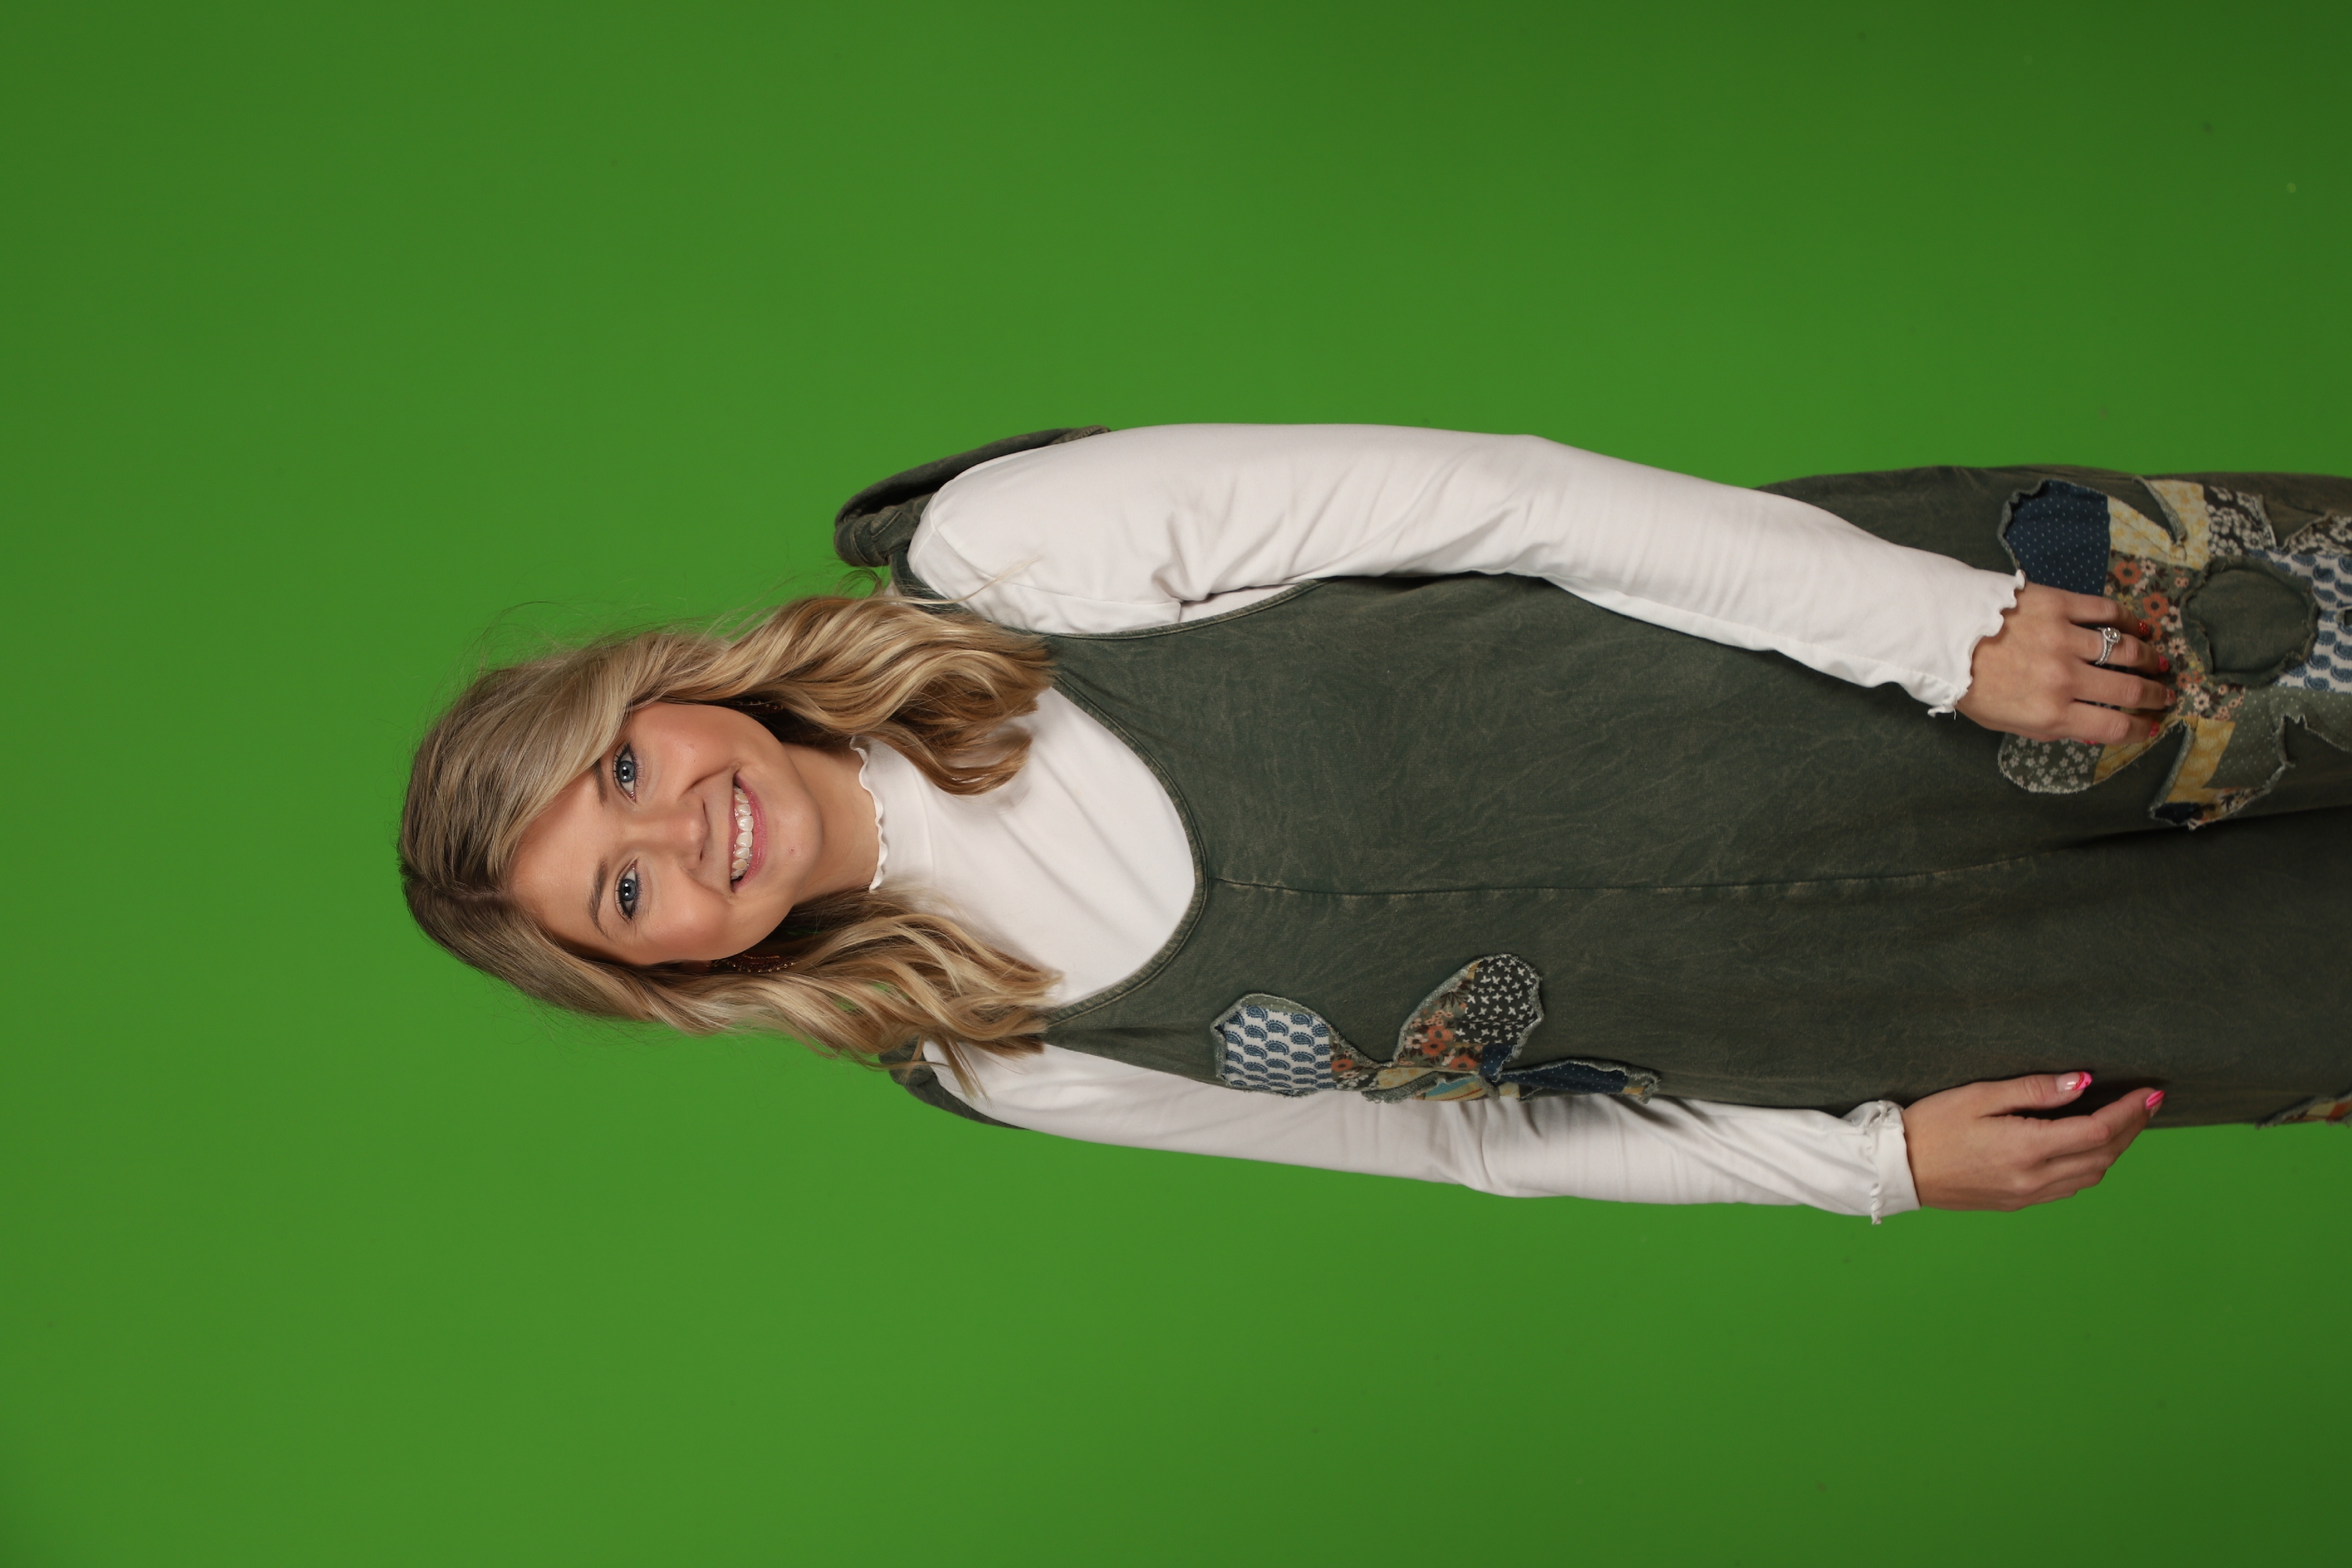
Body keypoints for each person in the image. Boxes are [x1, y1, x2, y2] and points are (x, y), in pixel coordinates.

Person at [400, 424, 2352, 1222]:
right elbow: (1474, 1135)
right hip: (1939, 997)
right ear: (670, 973)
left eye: (621, 773)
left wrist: (1935, 633)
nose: (681, 834)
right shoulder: (1006, 1060)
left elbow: (1513, 501)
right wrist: (1867, 1167)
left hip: (1947, 663)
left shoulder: (1006, 562)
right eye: (625, 893)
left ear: (657, 694)